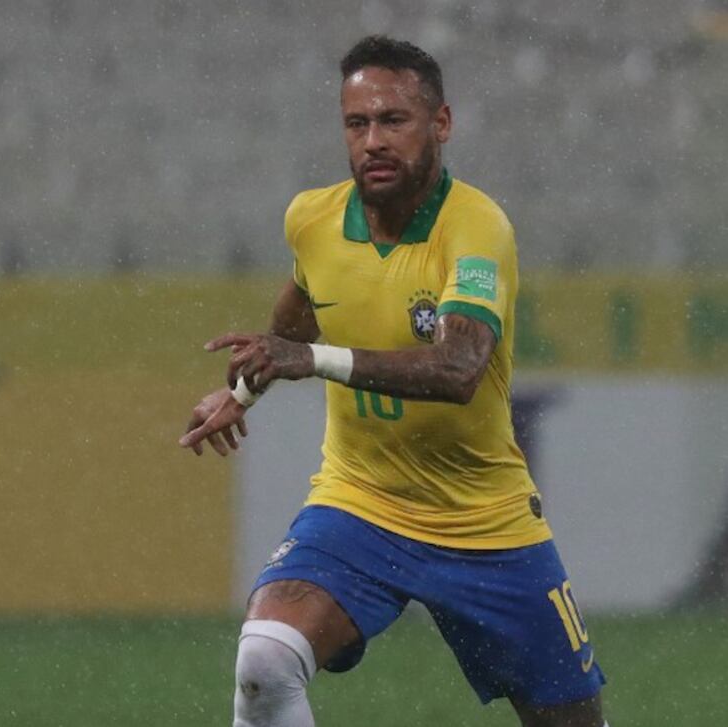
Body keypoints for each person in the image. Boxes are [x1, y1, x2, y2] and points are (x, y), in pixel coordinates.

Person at [179, 36, 607, 727]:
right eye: (357, 123)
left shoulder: (476, 228)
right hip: (360, 505)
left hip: (483, 521)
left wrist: (313, 359)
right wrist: (238, 395)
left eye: (393, 120)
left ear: (441, 123)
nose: (373, 140)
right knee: (265, 659)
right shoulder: (312, 220)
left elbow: (458, 369)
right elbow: (290, 332)